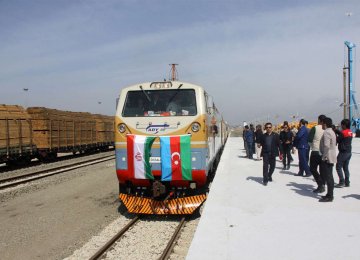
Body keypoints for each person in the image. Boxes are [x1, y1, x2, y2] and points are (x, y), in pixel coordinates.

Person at [319, 117, 337, 202]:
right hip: (331, 155)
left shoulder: (326, 132)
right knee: (330, 176)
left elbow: (326, 145)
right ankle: (329, 194)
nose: (321, 125)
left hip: (327, 157)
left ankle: (330, 196)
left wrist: (324, 156)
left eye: (321, 123)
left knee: (328, 177)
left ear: (325, 124)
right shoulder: (332, 131)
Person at [308, 114, 326, 193]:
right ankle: (323, 185)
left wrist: (312, 146)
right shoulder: (327, 129)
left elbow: (309, 140)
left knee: (312, 169)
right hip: (324, 152)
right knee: (322, 170)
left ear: (319, 120)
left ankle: (320, 184)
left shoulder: (315, 128)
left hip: (315, 151)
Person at [334, 119, 353, 188]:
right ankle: (347, 182)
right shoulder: (350, 132)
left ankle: (341, 181)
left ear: (344, 125)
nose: (341, 126)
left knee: (338, 167)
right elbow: (343, 135)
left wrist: (335, 133)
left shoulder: (343, 133)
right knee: (345, 168)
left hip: (343, 152)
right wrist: (338, 131)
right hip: (348, 152)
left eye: (342, 125)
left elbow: (338, 140)